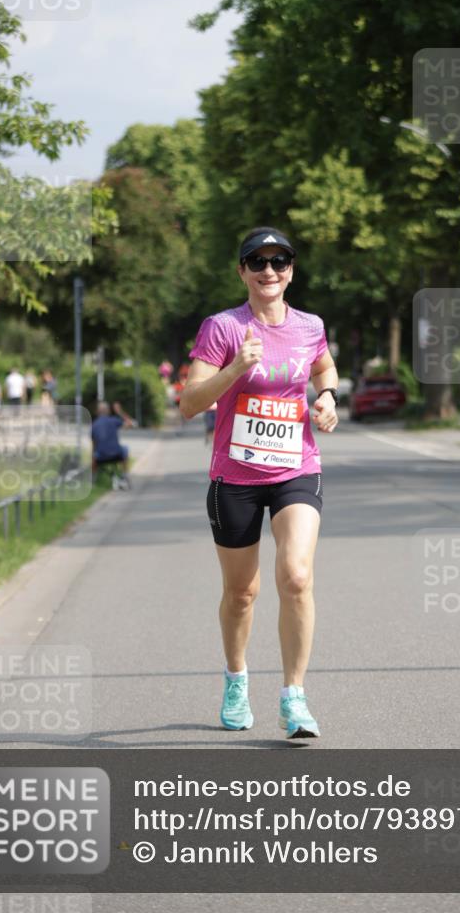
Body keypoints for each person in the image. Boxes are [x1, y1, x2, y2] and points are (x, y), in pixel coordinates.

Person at [180, 226, 339, 738]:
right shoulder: (223, 328)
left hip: (296, 467)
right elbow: (189, 404)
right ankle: (236, 678)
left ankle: (294, 697)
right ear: (242, 270)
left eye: (279, 261)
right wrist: (236, 369)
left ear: (291, 269)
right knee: (242, 593)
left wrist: (328, 397)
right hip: (235, 475)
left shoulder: (310, 325)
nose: (269, 270)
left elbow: (323, 366)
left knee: (295, 576)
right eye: (257, 261)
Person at [91, 400, 135, 488]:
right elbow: (131, 424)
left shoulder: (94, 425)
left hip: (101, 457)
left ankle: (93, 479)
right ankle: (125, 475)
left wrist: (93, 459)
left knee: (94, 454)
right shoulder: (114, 421)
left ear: (98, 412)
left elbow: (94, 446)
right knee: (125, 448)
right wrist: (120, 412)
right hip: (117, 454)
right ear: (108, 411)